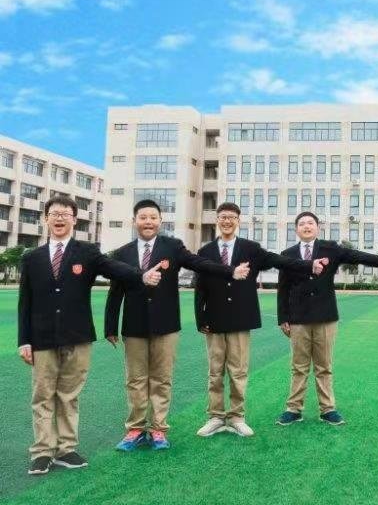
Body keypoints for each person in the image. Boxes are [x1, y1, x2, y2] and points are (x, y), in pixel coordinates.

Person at [19, 196, 161, 475]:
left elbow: (115, 269)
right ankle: (42, 451)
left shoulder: (87, 252)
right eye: (54, 213)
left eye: (65, 214)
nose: (60, 218)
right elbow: (26, 302)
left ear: (74, 219)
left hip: (77, 335)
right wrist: (24, 340)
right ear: (46, 219)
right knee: (43, 395)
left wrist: (142, 275)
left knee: (69, 395)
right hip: (41, 338)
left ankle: (66, 449)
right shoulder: (32, 258)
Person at [105, 199, 249, 451]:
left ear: (160, 221)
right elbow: (115, 291)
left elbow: (200, 264)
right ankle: (135, 429)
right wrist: (110, 326)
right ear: (134, 221)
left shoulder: (172, 247)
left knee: (162, 379)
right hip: (133, 325)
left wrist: (230, 271)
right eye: (143, 217)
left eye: (153, 217)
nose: (148, 222)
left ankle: (158, 429)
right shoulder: (123, 253)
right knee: (135, 379)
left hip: (166, 325)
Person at [194, 203, 326, 438]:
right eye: (223, 217)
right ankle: (215, 417)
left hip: (240, 318)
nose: (227, 221)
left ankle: (236, 417)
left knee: (238, 371)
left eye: (231, 217)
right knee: (215, 372)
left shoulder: (250, 249)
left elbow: (279, 260)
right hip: (214, 319)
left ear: (238, 221)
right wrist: (200, 316)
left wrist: (308, 265)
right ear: (217, 220)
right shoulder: (205, 251)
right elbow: (200, 286)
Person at [275, 211, 378, 426]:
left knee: (324, 366)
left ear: (318, 227)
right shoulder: (287, 254)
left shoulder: (330, 248)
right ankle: (293, 409)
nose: (306, 226)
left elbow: (356, 256)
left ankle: (328, 409)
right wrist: (283, 317)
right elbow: (283, 288)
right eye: (302, 223)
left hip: (325, 317)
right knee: (299, 367)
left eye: (310, 223)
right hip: (298, 319)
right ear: (296, 229)